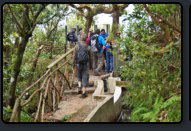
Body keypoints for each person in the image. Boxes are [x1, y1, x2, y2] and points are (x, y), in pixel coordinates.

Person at [72, 34, 92, 98]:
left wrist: (73, 65)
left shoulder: (77, 46)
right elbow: (91, 58)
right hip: (85, 64)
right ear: (86, 39)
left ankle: (79, 88)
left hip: (78, 64)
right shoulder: (88, 47)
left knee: (79, 76)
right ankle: (83, 93)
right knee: (85, 77)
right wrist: (91, 66)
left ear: (80, 39)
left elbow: (74, 56)